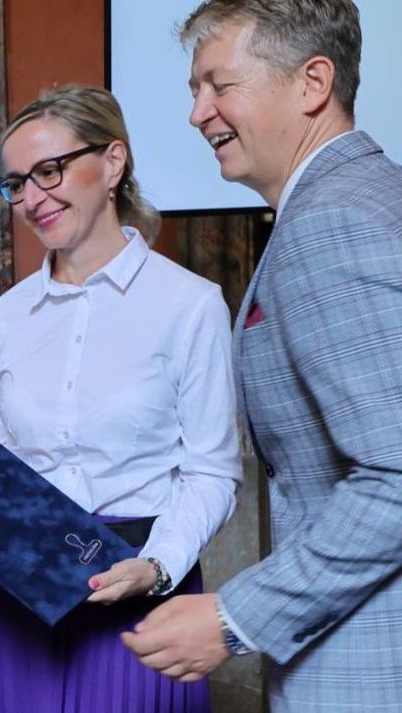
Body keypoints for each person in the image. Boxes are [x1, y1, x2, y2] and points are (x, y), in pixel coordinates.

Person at [0, 84, 241, 712]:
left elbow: (212, 471)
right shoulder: (2, 321)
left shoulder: (191, 305)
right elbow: (1, 468)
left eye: (49, 170)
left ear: (113, 162)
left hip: (140, 589)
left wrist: (157, 566)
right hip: (15, 603)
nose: (32, 199)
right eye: (17, 184)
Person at [123, 1, 402, 709]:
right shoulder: (366, 195)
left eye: (220, 85)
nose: (197, 113)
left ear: (313, 83)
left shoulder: (332, 222)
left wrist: (235, 616)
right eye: (194, 90)